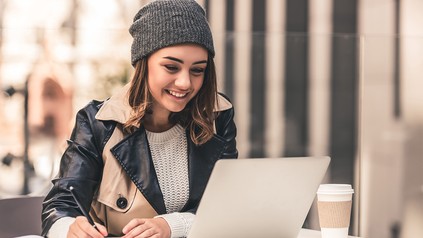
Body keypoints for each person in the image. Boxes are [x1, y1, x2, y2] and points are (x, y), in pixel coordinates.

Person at [41, 0, 238, 237]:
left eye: (197, 70)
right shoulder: (98, 123)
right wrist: (69, 230)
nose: (185, 83)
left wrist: (172, 225)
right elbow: (61, 206)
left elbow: (226, 205)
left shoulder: (217, 116)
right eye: (171, 67)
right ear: (143, 64)